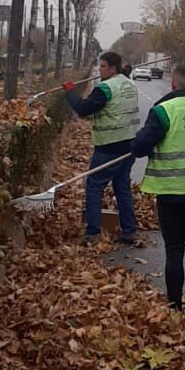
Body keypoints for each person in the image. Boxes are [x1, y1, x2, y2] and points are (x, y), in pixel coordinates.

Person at [131, 62, 185, 312]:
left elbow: (140, 146)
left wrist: (146, 145)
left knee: (174, 249)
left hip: (171, 191)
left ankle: (174, 307)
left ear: (173, 83)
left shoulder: (163, 110)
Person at [63, 51, 140, 245]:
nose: (100, 70)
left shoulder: (105, 88)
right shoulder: (130, 83)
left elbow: (83, 109)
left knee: (94, 186)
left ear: (114, 68)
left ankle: (93, 232)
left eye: (104, 66)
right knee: (122, 187)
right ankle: (129, 231)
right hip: (129, 144)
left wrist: (70, 92)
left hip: (109, 145)